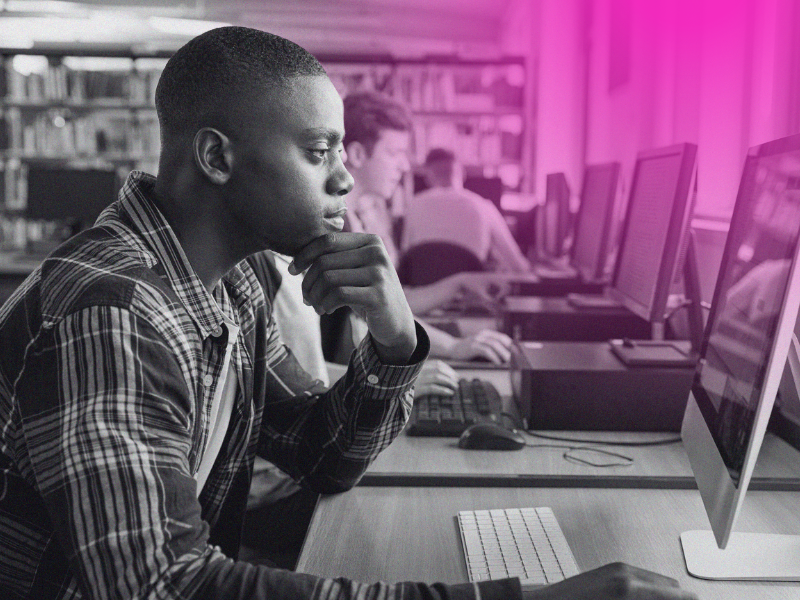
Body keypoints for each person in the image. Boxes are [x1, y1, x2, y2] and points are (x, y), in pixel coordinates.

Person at [0, 26, 697, 600]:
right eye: (317, 151)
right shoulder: (116, 310)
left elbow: (321, 455)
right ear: (217, 156)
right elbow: (164, 589)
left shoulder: (231, 283)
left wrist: (395, 339)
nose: (346, 178)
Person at [339, 91, 514, 365]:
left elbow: (392, 303)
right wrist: (454, 347)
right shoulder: (339, 227)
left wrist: (459, 283)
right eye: (394, 153)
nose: (405, 165)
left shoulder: (355, 216)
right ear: (358, 154)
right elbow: (373, 316)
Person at [403, 147, 531, 273]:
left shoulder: (413, 205)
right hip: (469, 291)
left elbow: (405, 256)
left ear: (427, 175)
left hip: (423, 291)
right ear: (462, 174)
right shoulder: (484, 206)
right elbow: (518, 266)